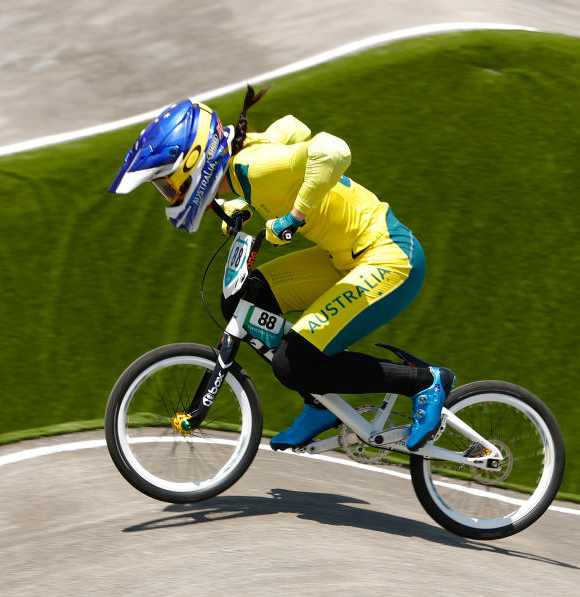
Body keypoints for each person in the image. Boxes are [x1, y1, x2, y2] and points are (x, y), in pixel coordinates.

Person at [109, 85, 454, 452]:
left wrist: (295, 215)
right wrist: (242, 202)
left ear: (194, 164)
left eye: (168, 186)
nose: (171, 196)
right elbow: (293, 128)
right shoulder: (243, 162)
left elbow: (333, 151)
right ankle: (321, 402)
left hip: (389, 258)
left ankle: (423, 381)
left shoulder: (253, 168)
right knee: (245, 299)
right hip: (344, 257)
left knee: (294, 363)